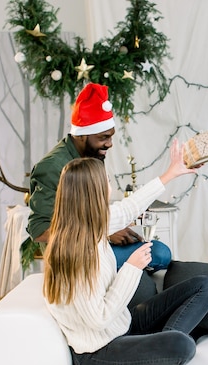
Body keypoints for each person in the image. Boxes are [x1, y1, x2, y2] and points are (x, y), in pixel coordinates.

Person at [43, 155, 208, 365]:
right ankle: (153, 361)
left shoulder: (90, 224)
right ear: (94, 192)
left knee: (204, 286)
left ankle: (150, 363)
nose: (111, 186)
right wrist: (131, 268)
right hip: (100, 350)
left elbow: (129, 208)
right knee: (182, 346)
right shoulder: (72, 254)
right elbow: (98, 319)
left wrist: (171, 172)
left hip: (122, 326)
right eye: (106, 181)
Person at [27, 82, 171, 272]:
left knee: (154, 250)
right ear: (81, 136)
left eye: (111, 136)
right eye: (103, 137)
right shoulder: (53, 167)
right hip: (73, 258)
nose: (110, 144)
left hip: (95, 245)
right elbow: (39, 231)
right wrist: (104, 233)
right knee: (159, 254)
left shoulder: (91, 154)